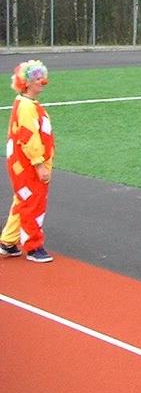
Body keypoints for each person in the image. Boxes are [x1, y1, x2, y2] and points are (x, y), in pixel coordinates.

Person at [1, 60, 55, 263]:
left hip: (24, 164)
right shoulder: (26, 106)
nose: (43, 81)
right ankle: (33, 246)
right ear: (27, 83)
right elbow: (28, 137)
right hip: (28, 166)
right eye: (38, 79)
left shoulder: (27, 103)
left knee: (22, 201)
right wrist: (39, 164)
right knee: (33, 203)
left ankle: (8, 241)